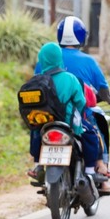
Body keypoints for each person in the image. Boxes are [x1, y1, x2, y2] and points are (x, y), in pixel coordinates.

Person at [56, 16, 110, 180]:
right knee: (98, 127)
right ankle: (101, 167)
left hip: (52, 110)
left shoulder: (48, 59)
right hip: (79, 111)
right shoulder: (88, 61)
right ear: (81, 37)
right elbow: (104, 92)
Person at [28, 42, 87, 178]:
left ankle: (38, 165)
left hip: (44, 124)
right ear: (59, 58)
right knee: (91, 135)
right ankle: (90, 170)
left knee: (35, 132)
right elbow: (81, 102)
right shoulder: (70, 79)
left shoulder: (37, 80)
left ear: (42, 59)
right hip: (68, 124)